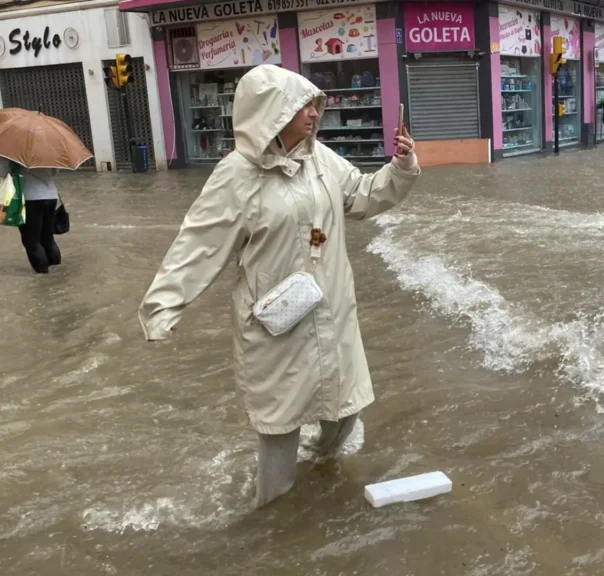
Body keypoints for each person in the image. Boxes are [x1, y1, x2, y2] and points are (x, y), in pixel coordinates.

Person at [137, 65, 420, 509]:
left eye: (314, 105)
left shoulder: (320, 159)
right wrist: (163, 306)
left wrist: (400, 168)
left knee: (344, 409)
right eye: (303, 106)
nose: (314, 114)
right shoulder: (236, 175)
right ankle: (271, 518)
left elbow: (362, 194)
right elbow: (199, 243)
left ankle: (320, 477)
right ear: (273, 112)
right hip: (277, 324)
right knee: (280, 427)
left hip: (331, 311)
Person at [0, 155, 60, 274]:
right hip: (51, 196)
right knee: (47, 237)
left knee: (32, 240)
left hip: (30, 198)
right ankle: (57, 272)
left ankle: (43, 275)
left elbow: (0, 172)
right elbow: (54, 172)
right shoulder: (48, 150)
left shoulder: (12, 152)